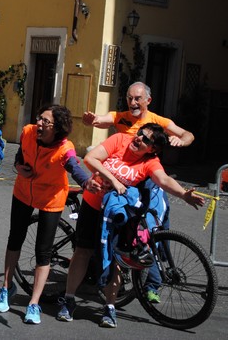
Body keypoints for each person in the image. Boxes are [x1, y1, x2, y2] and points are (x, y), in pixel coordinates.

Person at [56, 123, 204, 328]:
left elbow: (163, 179)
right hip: (93, 205)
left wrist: (183, 194)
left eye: (146, 139)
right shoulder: (120, 140)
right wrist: (114, 181)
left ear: (152, 149)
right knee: (83, 251)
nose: (139, 139)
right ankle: (69, 299)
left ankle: (109, 307)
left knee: (115, 258)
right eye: (140, 134)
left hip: (118, 214)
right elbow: (90, 159)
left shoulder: (150, 162)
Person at [82, 81, 194, 302]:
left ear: (148, 101)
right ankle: (106, 272)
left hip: (144, 180)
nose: (133, 102)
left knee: (151, 230)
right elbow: (103, 120)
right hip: (119, 178)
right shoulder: (120, 116)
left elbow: (188, 134)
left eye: (138, 99)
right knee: (115, 229)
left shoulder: (157, 121)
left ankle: (152, 283)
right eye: (130, 98)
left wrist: (181, 140)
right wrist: (93, 120)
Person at [0, 105, 92, 324]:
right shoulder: (28, 131)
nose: (39, 123)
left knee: (43, 252)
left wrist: (86, 181)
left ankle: (33, 303)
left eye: (46, 122)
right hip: (23, 192)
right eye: (40, 118)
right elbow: (20, 155)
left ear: (57, 128)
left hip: (50, 199)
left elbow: (74, 166)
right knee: (14, 239)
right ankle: (6, 288)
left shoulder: (65, 148)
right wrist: (19, 166)